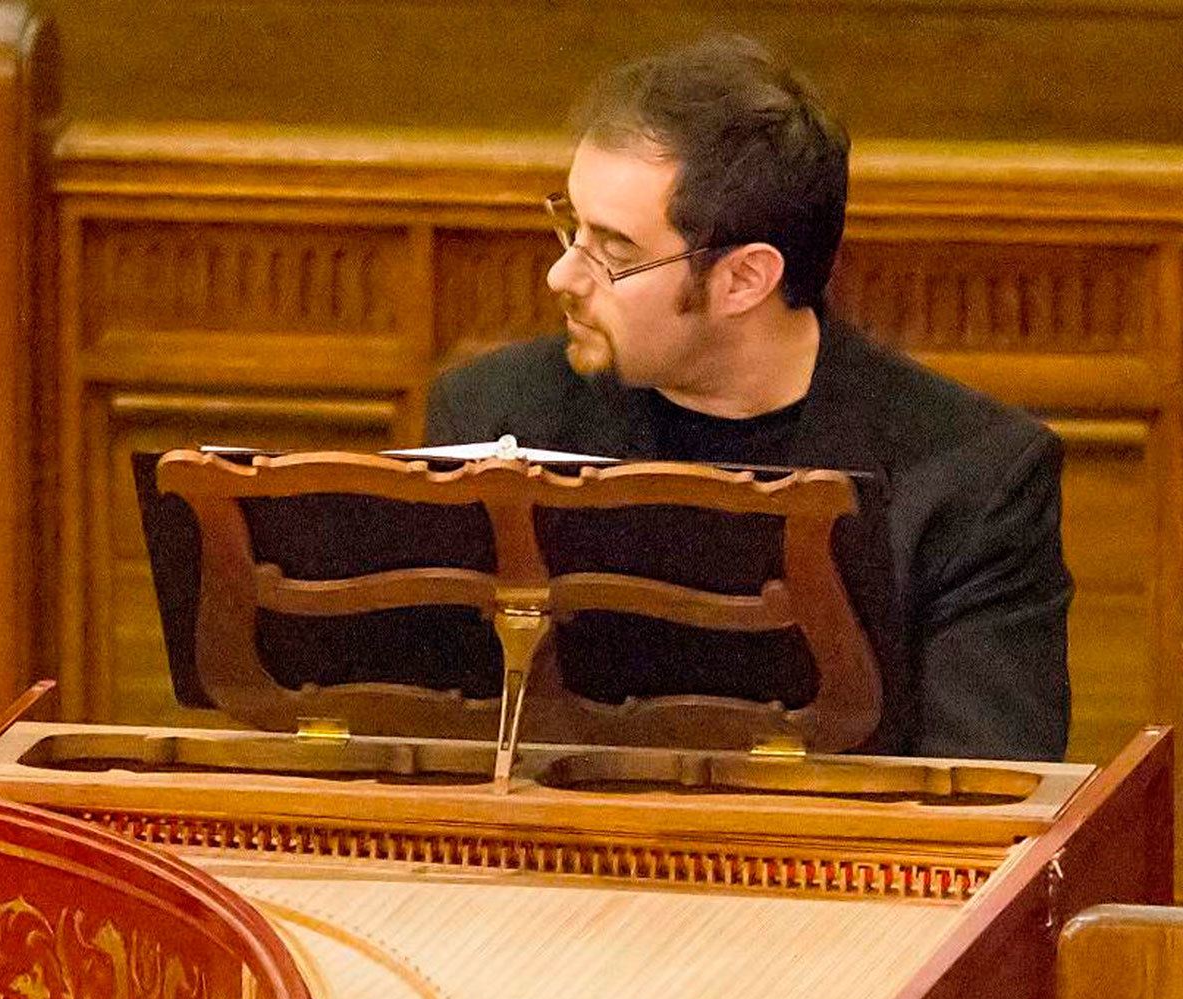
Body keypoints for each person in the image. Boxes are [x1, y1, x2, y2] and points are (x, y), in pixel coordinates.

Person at [424, 35, 1071, 760]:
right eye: (570, 224)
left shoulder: (974, 480)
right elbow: (429, 737)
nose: (562, 275)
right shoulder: (492, 412)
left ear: (744, 280)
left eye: (613, 251)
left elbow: (988, 796)